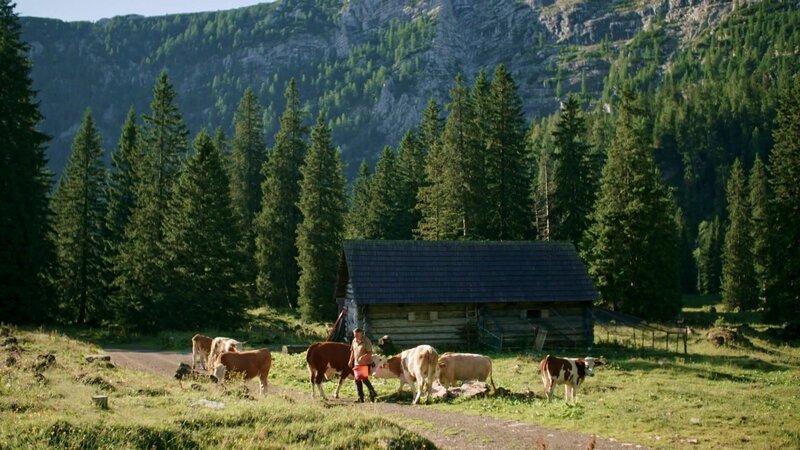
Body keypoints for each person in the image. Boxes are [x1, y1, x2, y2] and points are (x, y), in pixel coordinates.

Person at [349, 328, 378, 402]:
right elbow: (353, 351)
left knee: (363, 379)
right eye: (354, 335)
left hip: (365, 363)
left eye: (357, 335)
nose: (355, 337)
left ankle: (372, 393)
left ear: (361, 333)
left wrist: (363, 357)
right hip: (356, 363)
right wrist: (350, 360)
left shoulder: (366, 341)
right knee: (357, 380)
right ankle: (361, 397)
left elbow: (370, 353)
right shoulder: (354, 341)